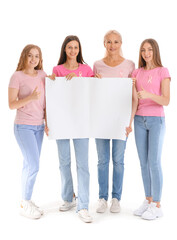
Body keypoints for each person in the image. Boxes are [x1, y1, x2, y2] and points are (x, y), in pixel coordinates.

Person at [48, 35, 94, 223]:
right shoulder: (57, 70)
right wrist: (50, 82)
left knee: (83, 165)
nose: (73, 50)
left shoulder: (87, 69)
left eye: (76, 47)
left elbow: (92, 92)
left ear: (79, 50)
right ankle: (68, 198)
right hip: (62, 122)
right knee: (64, 162)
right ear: (64, 50)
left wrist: (91, 80)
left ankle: (83, 206)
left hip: (82, 121)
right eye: (69, 47)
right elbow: (54, 98)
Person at [93, 30, 136, 213]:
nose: (112, 45)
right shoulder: (97, 65)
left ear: (121, 43)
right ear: (104, 43)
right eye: (109, 42)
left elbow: (133, 96)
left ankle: (116, 198)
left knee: (118, 160)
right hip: (101, 119)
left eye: (116, 42)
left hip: (121, 120)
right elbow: (92, 93)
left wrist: (130, 122)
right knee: (102, 160)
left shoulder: (129, 65)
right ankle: (102, 198)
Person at [132, 39, 170, 220]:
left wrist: (148, 94)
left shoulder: (163, 71)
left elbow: (166, 100)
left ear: (155, 51)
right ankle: (148, 200)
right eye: (143, 50)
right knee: (143, 163)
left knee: (154, 161)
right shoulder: (136, 72)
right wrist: (130, 120)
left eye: (149, 50)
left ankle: (157, 204)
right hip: (139, 120)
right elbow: (133, 99)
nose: (146, 53)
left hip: (156, 120)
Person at [8, 44, 47, 219]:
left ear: (40, 59)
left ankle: (26, 201)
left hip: (38, 126)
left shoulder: (42, 75)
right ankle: (25, 202)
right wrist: (30, 97)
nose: (33, 59)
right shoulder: (16, 76)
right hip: (23, 126)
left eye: (36, 56)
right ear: (24, 56)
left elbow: (46, 101)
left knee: (28, 165)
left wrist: (47, 121)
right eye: (30, 56)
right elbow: (11, 104)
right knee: (34, 165)